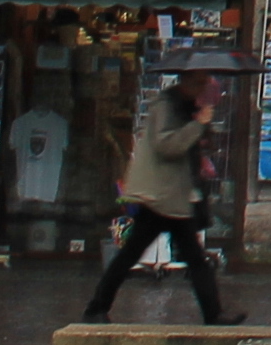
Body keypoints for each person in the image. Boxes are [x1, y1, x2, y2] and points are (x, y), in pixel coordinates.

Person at [83, 73, 245, 324]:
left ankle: (214, 314)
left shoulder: (186, 107)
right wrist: (197, 124)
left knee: (191, 258)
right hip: (160, 197)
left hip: (174, 196)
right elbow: (167, 145)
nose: (203, 90)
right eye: (200, 84)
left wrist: (202, 129)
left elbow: (190, 145)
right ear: (188, 83)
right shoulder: (166, 106)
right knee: (137, 255)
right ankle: (95, 308)